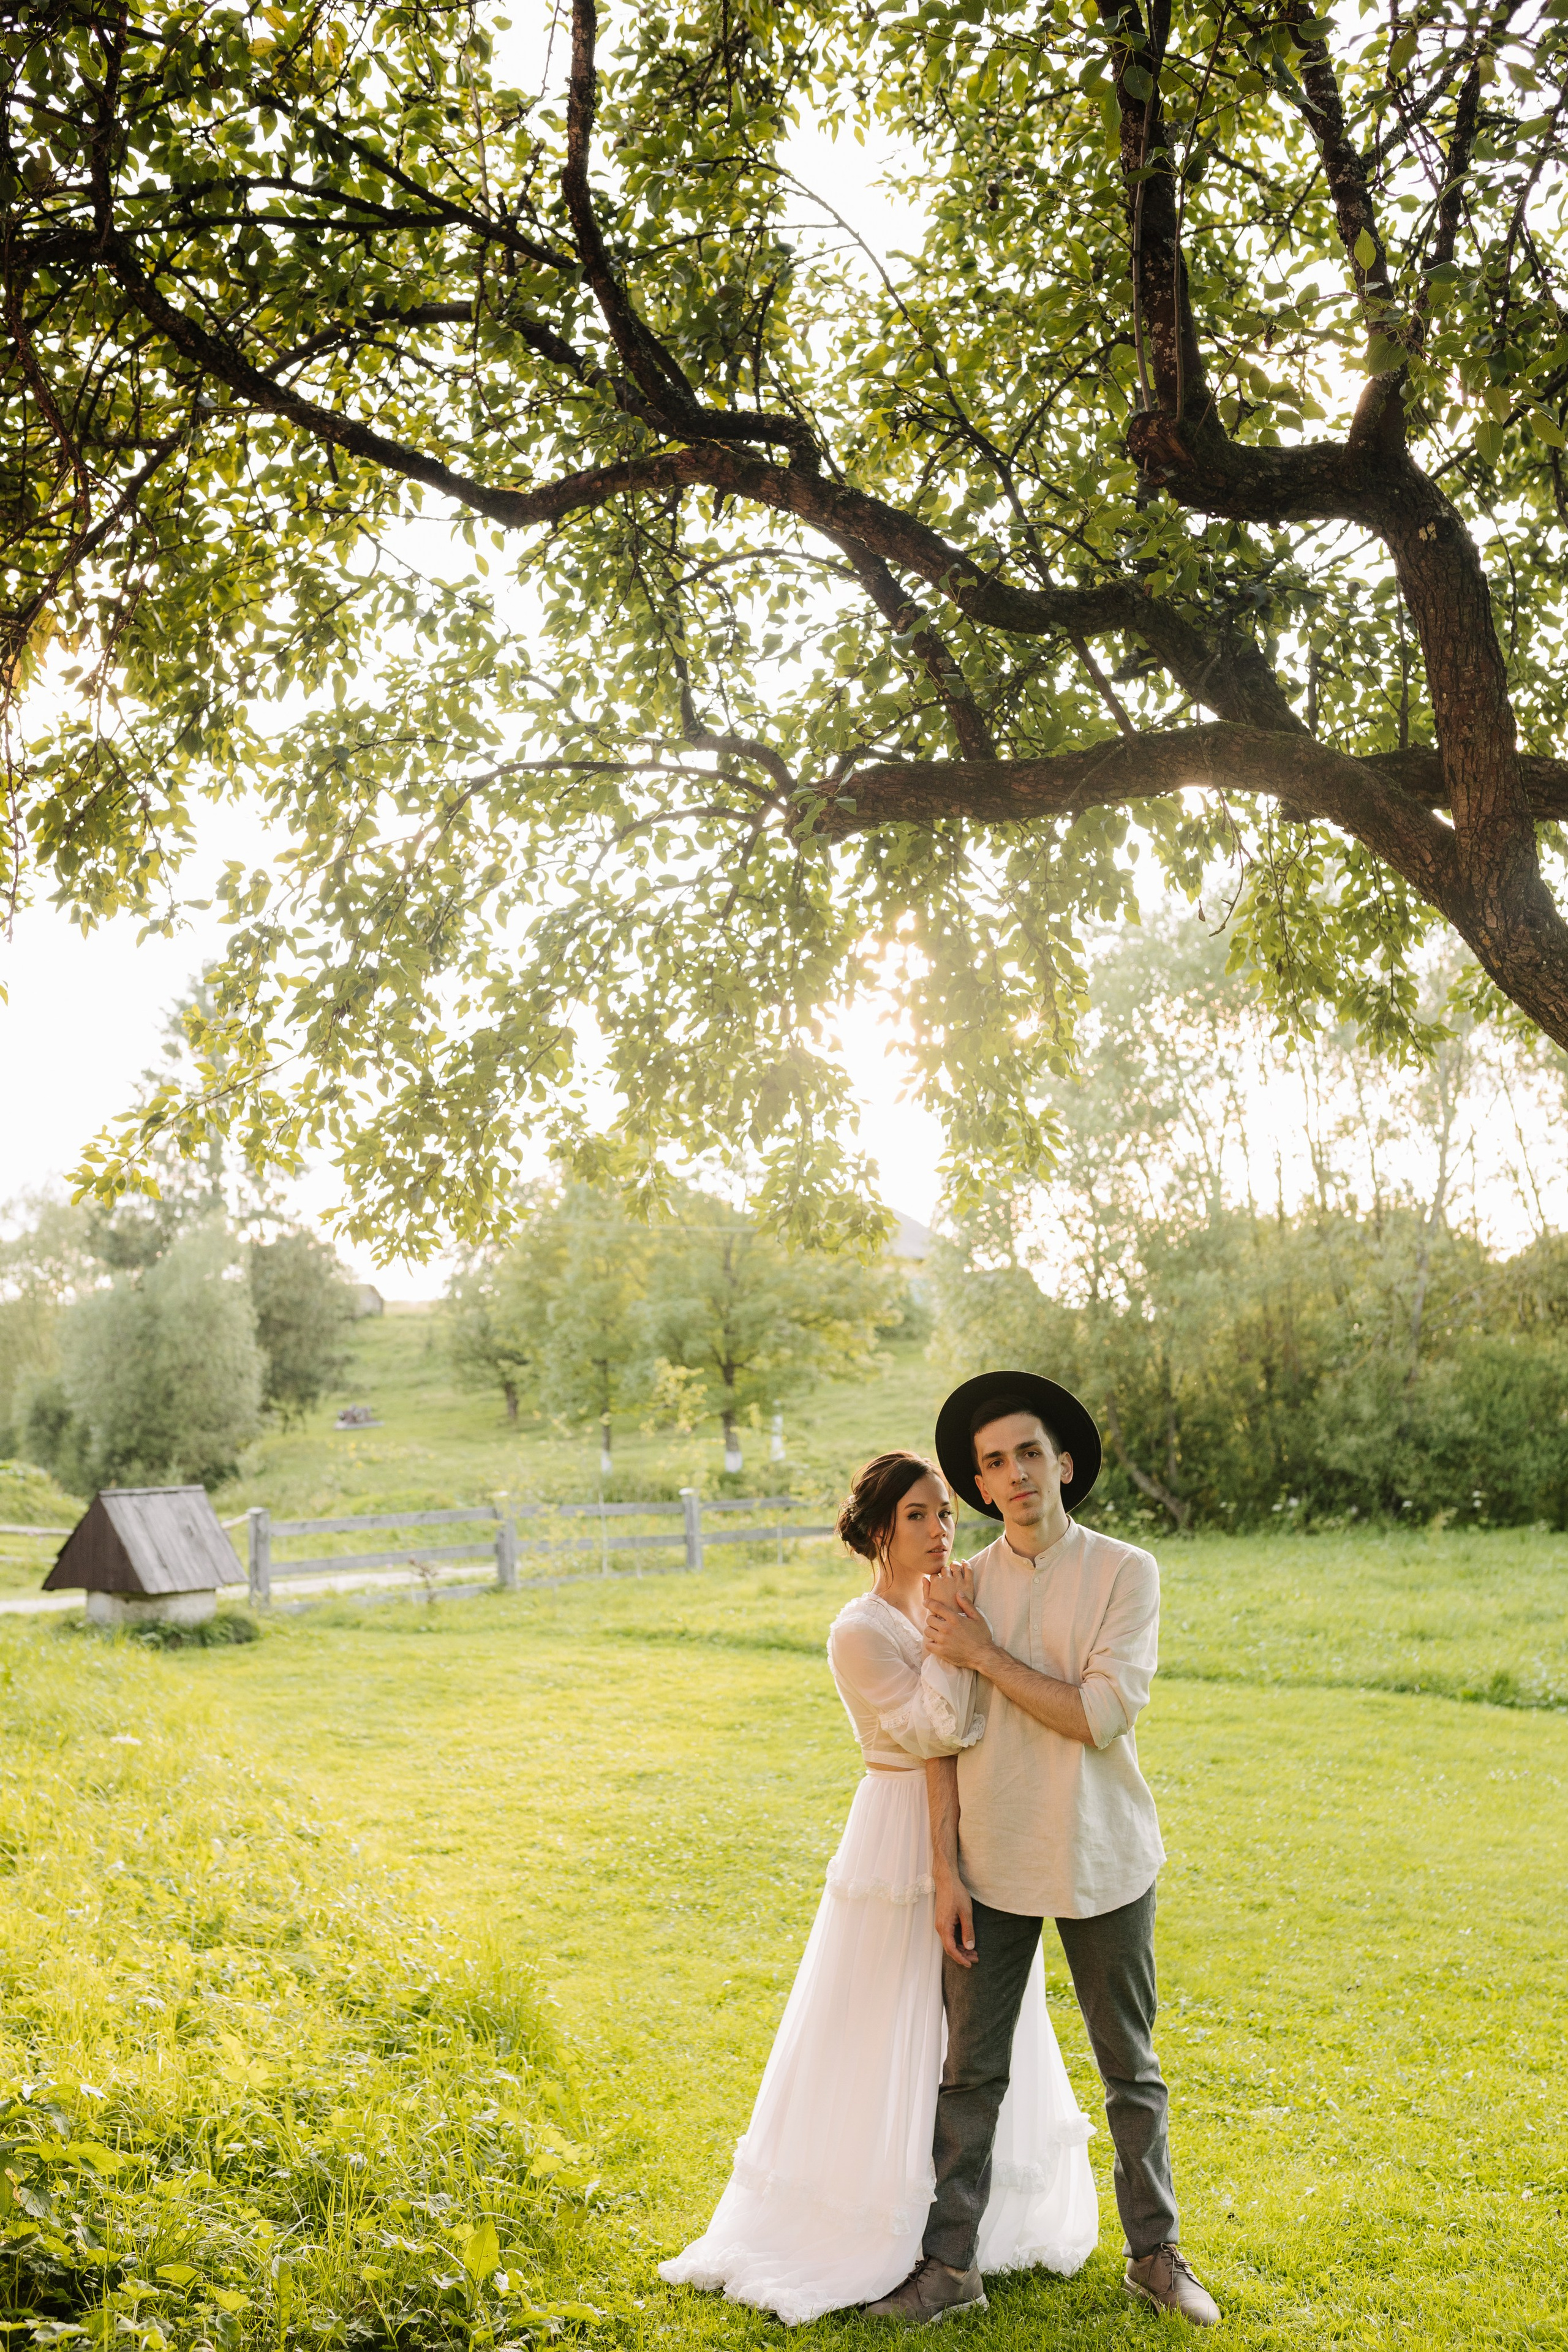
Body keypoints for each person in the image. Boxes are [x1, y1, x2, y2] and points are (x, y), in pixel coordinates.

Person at [658, 1450, 1098, 2326]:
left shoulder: (947, 1603)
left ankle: (970, 2224)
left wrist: (961, 1633)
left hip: (975, 1829)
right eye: (918, 1518)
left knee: (974, 2030)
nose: (941, 1533)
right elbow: (938, 1729)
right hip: (896, 1838)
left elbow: (978, 1724)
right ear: (877, 1533)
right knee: (889, 2018)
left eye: (945, 1514)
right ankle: (876, 2223)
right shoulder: (859, 1632)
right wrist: (956, 1639)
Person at [864, 1371, 1221, 2330]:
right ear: (980, 1488)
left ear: (1062, 1463)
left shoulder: (1126, 1571)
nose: (1014, 1473)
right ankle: (949, 2270)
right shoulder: (958, 1588)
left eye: (1028, 1452)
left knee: (1130, 2072)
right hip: (994, 1863)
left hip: (1105, 1857)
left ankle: (1155, 2255)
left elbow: (1099, 1715)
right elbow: (937, 1739)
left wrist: (986, 1657)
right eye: (993, 1462)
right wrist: (945, 1870)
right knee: (969, 2077)